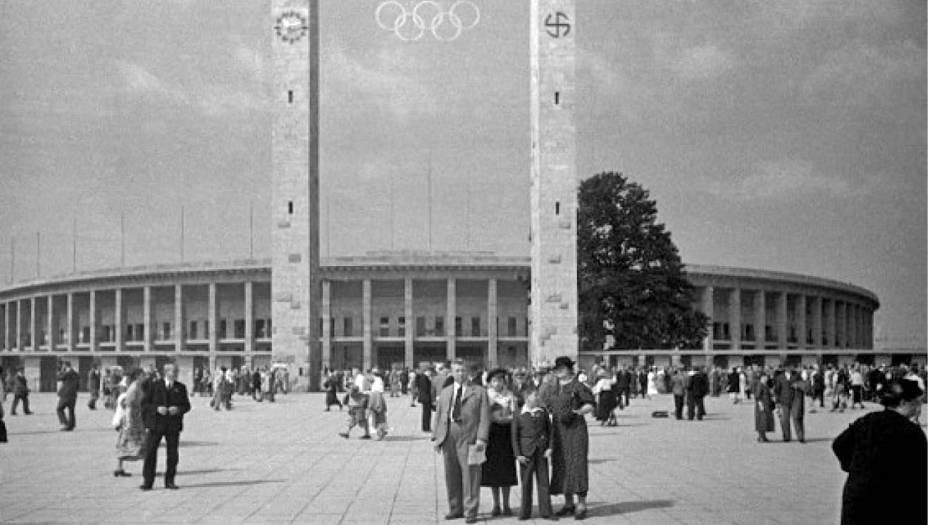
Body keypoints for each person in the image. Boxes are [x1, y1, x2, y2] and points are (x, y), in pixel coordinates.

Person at [832, 379, 926, 525]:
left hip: (857, 498)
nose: (920, 407)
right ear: (903, 403)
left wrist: (855, 468)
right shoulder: (912, 433)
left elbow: (839, 445)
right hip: (891, 503)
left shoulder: (867, 420)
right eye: (917, 402)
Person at [432, 360, 490, 524]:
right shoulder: (446, 391)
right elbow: (439, 414)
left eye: (463, 370)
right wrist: (436, 437)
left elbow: (485, 418)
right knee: (451, 473)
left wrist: (481, 438)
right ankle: (455, 508)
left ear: (469, 372)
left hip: (471, 437)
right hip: (449, 435)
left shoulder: (479, 391)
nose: (461, 373)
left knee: (471, 474)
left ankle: (470, 511)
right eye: (457, 370)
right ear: (452, 372)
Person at [544, 356, 595, 520]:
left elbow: (590, 404)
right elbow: (547, 405)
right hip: (558, 431)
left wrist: (578, 412)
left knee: (578, 464)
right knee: (562, 464)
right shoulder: (554, 387)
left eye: (562, 368)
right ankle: (568, 503)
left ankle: (581, 503)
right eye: (557, 369)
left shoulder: (578, 386)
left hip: (575, 429)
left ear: (569, 369)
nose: (559, 371)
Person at [140, 363, 191, 491]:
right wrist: (156, 409)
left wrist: (178, 409)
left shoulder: (181, 387)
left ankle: (170, 481)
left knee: (172, 454)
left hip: (173, 425)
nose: (176, 373)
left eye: (177, 370)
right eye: (174, 371)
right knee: (150, 452)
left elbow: (187, 406)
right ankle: (148, 481)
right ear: (166, 372)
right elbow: (144, 404)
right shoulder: (154, 385)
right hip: (156, 424)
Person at [511, 390, 555, 521]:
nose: (537, 397)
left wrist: (550, 447)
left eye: (537, 395)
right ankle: (525, 512)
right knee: (526, 482)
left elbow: (550, 431)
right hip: (526, 453)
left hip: (541, 452)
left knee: (544, 482)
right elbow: (514, 437)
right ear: (526, 398)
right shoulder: (519, 414)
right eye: (534, 395)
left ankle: (546, 511)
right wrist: (518, 454)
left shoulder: (543, 412)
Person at [481, 368, 518, 517]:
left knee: (507, 471)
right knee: (493, 472)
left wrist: (508, 418)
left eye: (501, 380)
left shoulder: (510, 396)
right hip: (492, 435)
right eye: (495, 380)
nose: (498, 383)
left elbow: (515, 415)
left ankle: (507, 504)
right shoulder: (486, 396)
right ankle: (496, 504)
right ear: (489, 382)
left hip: (506, 435)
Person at [114, 368, 148, 477]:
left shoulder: (137, 386)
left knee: (126, 442)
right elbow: (129, 406)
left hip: (135, 417)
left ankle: (119, 467)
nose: (145, 377)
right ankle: (147, 468)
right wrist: (129, 421)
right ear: (138, 375)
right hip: (132, 419)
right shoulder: (134, 388)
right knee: (141, 443)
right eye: (143, 375)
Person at [773, 366, 806, 443]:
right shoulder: (780, 377)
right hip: (784, 401)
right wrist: (777, 402)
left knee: (797, 418)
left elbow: (803, 385)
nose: (790, 368)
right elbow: (777, 390)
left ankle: (800, 437)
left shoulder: (797, 375)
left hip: (795, 399)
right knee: (785, 419)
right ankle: (786, 436)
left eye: (791, 367)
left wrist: (798, 385)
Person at [56, 361, 80, 431]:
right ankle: (71, 425)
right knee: (71, 410)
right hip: (73, 395)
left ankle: (65, 423)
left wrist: (61, 370)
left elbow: (58, 378)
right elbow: (78, 385)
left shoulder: (66, 373)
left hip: (66, 394)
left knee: (59, 408)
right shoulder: (76, 373)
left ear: (65, 366)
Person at [753, 370, 775, 442]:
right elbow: (757, 396)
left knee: (765, 421)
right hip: (762, 405)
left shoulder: (765, 385)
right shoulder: (760, 384)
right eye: (765, 377)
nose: (767, 378)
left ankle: (763, 436)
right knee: (761, 421)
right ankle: (761, 437)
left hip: (766, 405)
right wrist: (760, 405)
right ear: (762, 377)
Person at [417, 366, 434, 433]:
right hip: (426, 398)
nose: (430, 373)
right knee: (426, 413)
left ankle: (426, 427)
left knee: (426, 413)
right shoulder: (424, 378)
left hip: (425, 397)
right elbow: (426, 388)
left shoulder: (424, 377)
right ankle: (426, 428)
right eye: (429, 372)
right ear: (426, 371)